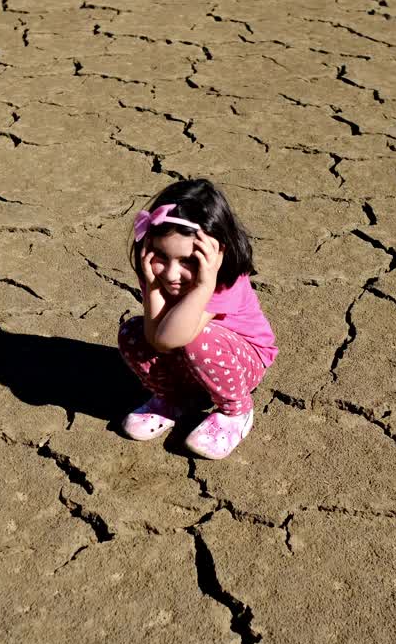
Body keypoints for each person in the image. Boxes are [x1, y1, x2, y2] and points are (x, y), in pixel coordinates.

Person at [117, 178, 277, 459]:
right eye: (162, 256)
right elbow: (156, 340)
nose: (171, 273)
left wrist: (203, 286)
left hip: (241, 363)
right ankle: (173, 400)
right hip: (184, 356)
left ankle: (236, 411)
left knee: (197, 338)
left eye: (187, 261)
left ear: (217, 252)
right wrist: (153, 288)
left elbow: (169, 339)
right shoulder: (156, 273)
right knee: (132, 332)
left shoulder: (223, 282)